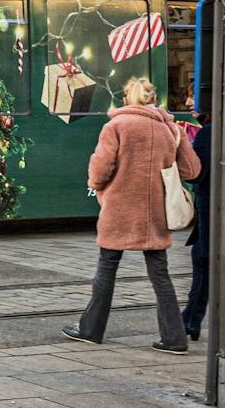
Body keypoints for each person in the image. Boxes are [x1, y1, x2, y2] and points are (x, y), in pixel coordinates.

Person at [64, 76, 200, 353]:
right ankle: (174, 337)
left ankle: (91, 329)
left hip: (119, 210)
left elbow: (100, 170)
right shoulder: (170, 130)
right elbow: (192, 170)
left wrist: (97, 186)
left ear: (126, 99)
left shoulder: (115, 126)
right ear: (152, 99)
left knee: (106, 269)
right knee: (160, 275)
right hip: (155, 214)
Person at [182, 114, 213, 341]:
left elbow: (196, 174)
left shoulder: (207, 133)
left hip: (209, 205)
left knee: (203, 261)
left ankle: (191, 320)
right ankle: (191, 319)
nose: (191, 104)